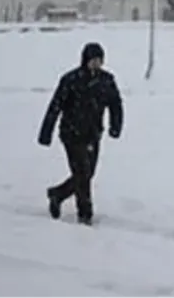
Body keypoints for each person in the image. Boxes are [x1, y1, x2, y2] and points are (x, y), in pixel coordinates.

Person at [38, 42, 124, 226]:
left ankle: (58, 194)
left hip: (93, 134)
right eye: (93, 60)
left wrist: (115, 126)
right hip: (71, 134)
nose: (96, 63)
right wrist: (46, 132)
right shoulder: (71, 80)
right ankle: (85, 214)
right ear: (85, 60)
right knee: (82, 173)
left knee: (87, 173)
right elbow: (55, 106)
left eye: (99, 60)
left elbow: (116, 105)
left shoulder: (106, 81)